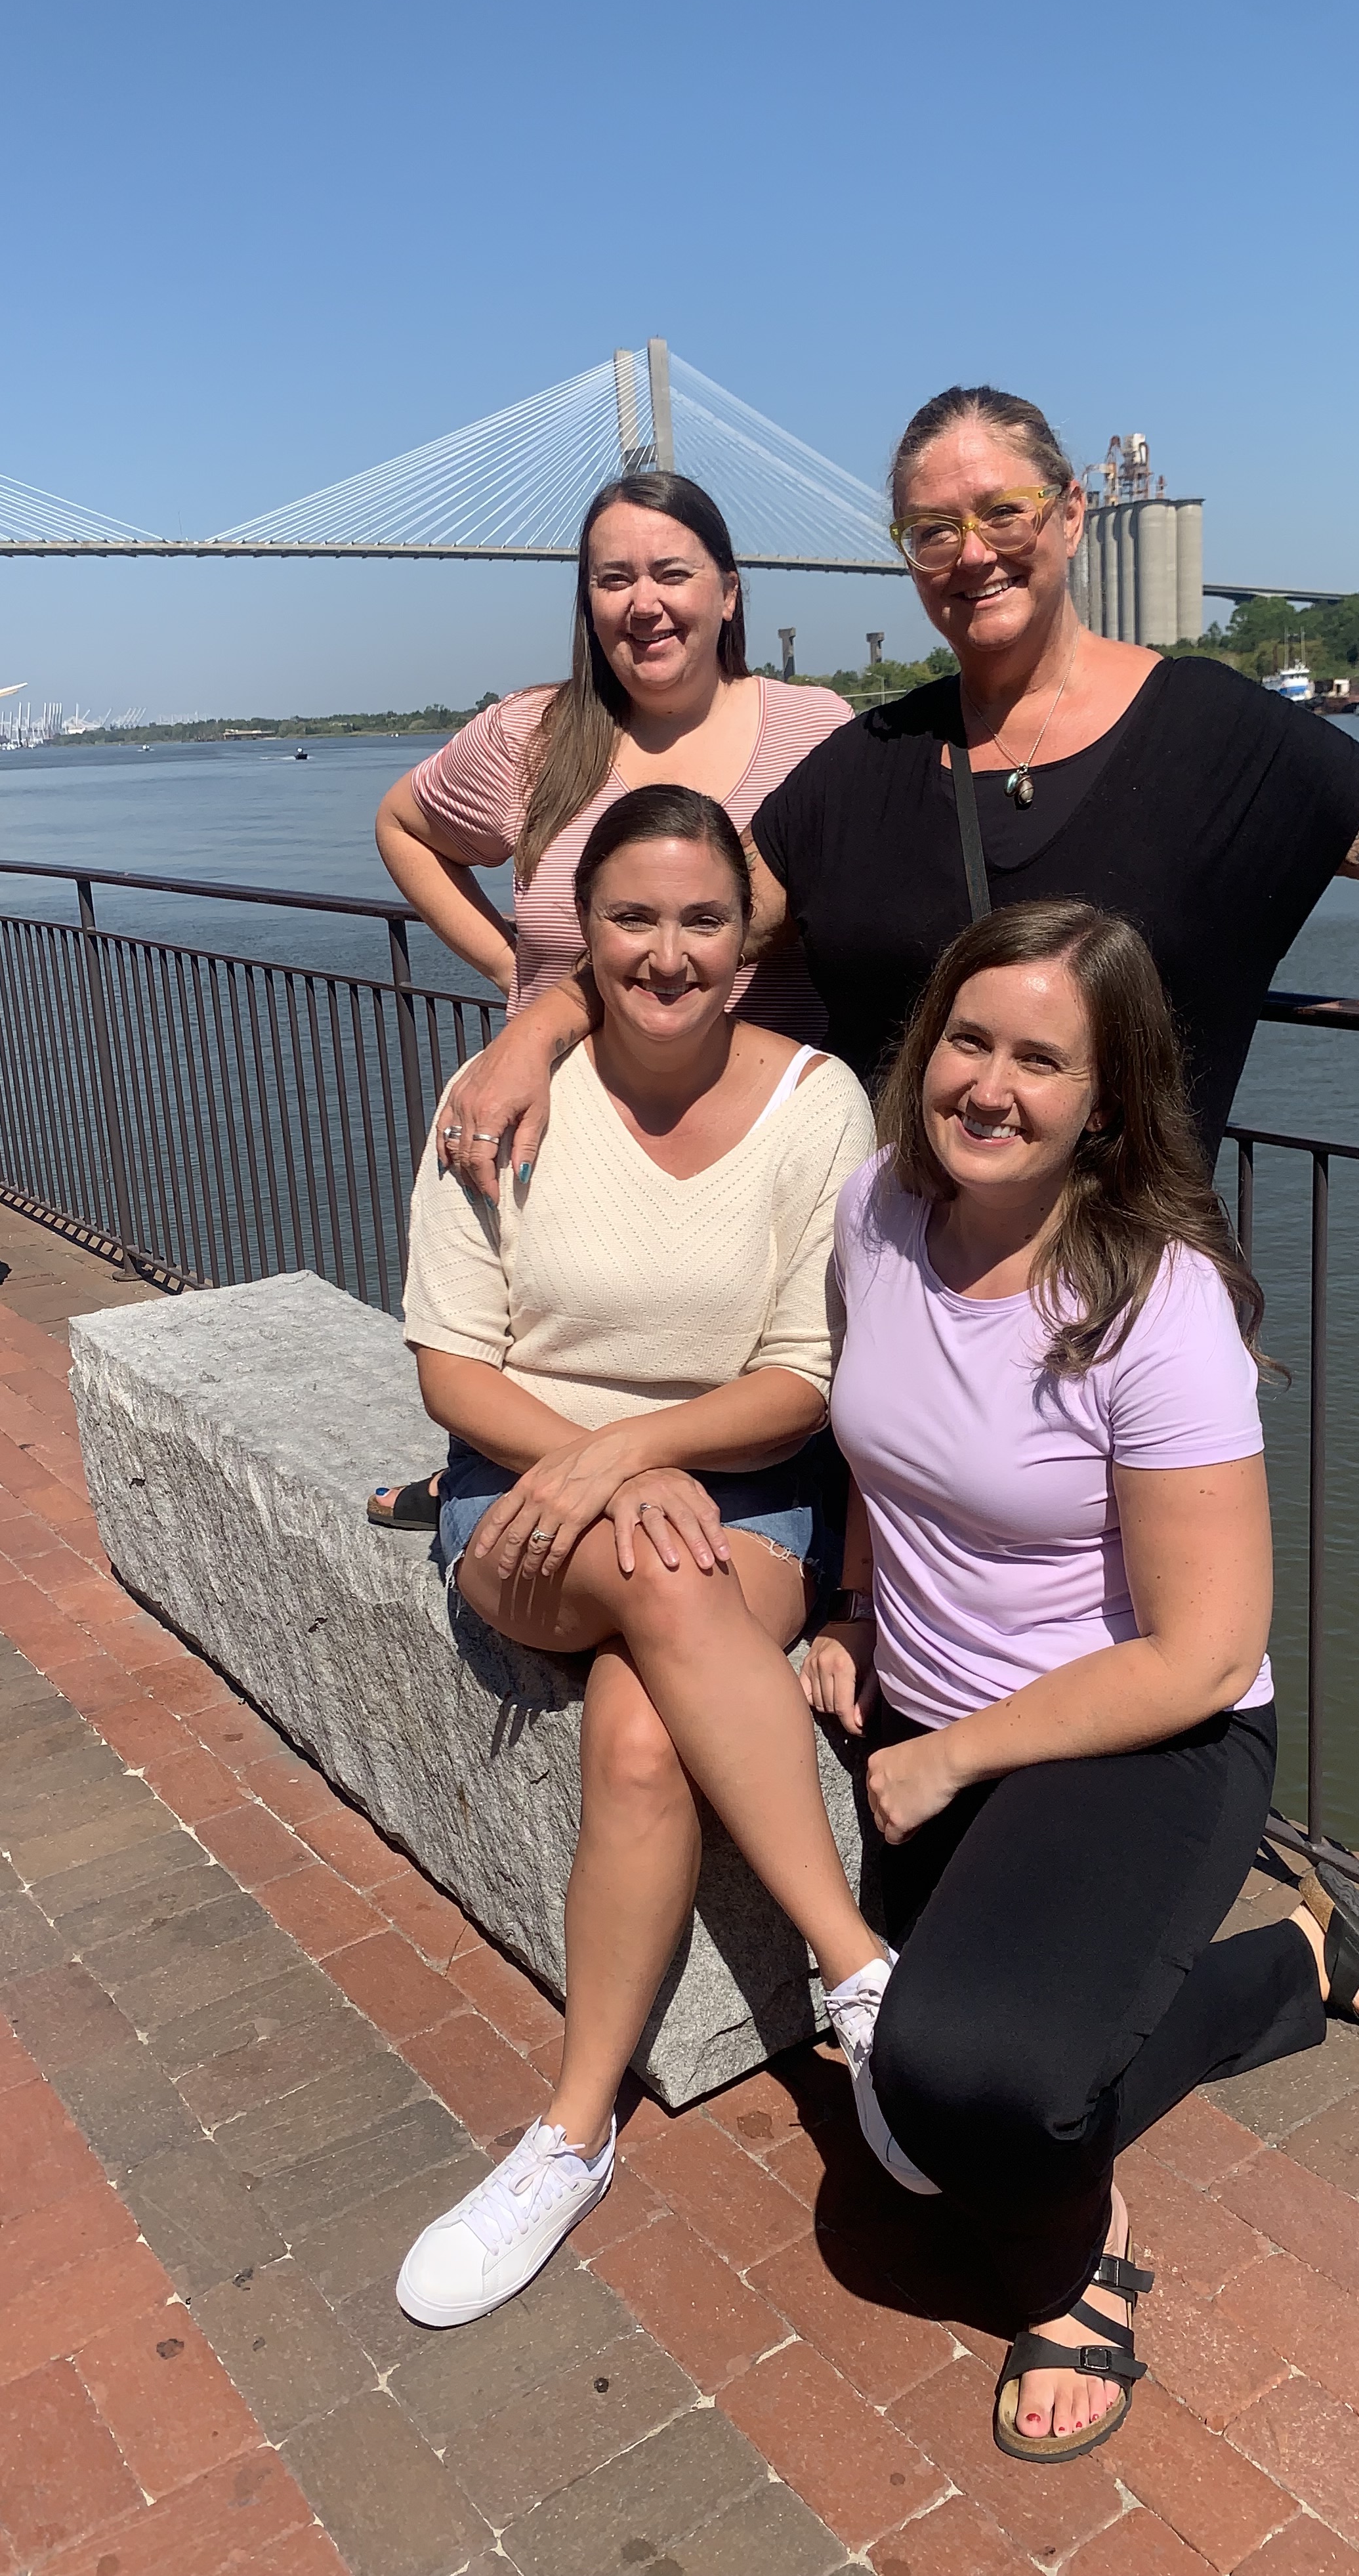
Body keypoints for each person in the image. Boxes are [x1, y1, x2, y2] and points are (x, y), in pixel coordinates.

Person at [432, 383, 1359, 1204]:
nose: (972, 553)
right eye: (931, 530)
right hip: (905, 1302)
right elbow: (683, 933)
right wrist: (528, 1032)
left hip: (1126, 1312)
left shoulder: (1215, 732)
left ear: (1073, 515)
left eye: (1003, 513)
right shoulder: (863, 767)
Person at [797, 900, 1359, 2466]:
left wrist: (953, 1756)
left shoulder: (1154, 1306)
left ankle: (1078, 2264)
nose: (990, 1087)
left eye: (1041, 1061)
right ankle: (1301, 1962)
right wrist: (848, 1609)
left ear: (1105, 1102)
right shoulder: (875, 1211)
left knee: (960, 2090)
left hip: (1139, 1738)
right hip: (931, 1713)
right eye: (968, 1040)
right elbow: (882, 1451)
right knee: (916, 2096)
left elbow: (1207, 1650)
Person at [390, 785, 895, 2330]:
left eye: (701, 920)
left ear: (747, 944)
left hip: (746, 1500)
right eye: (632, 918)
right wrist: (600, 1461)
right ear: (583, 939)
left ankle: (570, 2135)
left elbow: (807, 1377)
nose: (666, 953)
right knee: (665, 1579)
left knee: (639, 1739)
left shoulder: (819, 1104)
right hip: (522, 1503)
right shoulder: (500, 1097)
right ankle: (861, 1973)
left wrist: (650, 1452)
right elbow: (452, 1367)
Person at [366, 467, 847, 1529]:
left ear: (730, 590)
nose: (645, 603)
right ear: (585, 601)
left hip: (752, 1175)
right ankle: (495, 1475)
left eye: (673, 572)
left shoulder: (817, 733)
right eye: (613, 578)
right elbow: (404, 826)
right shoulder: (533, 737)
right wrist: (514, 976)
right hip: (571, 1150)